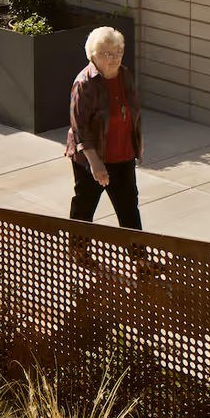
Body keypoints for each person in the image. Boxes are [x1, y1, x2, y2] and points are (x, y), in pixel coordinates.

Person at [66, 26, 143, 263]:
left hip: (123, 155)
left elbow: (131, 113)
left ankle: (140, 260)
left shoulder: (126, 75)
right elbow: (80, 129)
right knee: (85, 204)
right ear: (94, 55)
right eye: (107, 53)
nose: (114, 57)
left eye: (118, 51)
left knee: (129, 207)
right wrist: (96, 164)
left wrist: (136, 144)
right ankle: (78, 251)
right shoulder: (85, 83)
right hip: (92, 157)